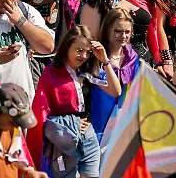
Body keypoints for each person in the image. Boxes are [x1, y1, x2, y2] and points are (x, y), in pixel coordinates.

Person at [29, 24, 115, 178]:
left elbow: (116, 90)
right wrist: (70, 123)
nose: (83, 56)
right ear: (67, 46)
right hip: (64, 138)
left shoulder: (87, 71)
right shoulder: (51, 72)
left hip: (88, 135)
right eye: (79, 50)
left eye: (88, 52)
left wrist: (105, 61)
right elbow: (40, 110)